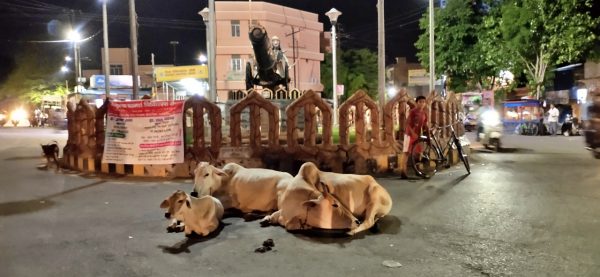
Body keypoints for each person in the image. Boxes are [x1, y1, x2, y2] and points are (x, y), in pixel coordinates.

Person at [399, 95, 429, 179]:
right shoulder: (413, 111)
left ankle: (418, 170)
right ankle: (403, 172)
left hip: (418, 136)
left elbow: (425, 125)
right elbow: (407, 124)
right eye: (420, 102)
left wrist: (428, 134)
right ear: (416, 103)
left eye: (423, 102)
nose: (422, 104)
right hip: (409, 135)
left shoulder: (424, 113)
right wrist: (412, 133)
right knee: (406, 153)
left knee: (419, 153)